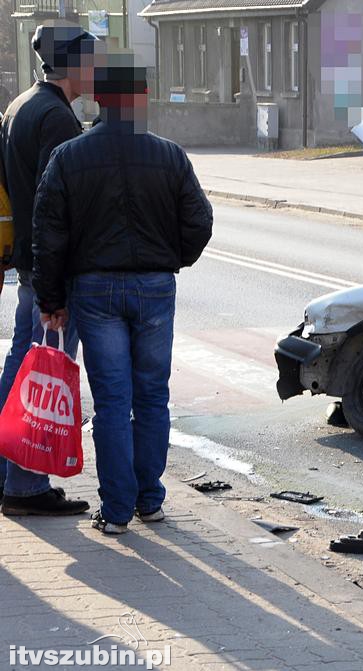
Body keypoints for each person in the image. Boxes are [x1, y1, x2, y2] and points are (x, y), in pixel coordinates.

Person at [32, 54, 214, 534]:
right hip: (155, 287)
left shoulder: (70, 156)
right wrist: (169, 259)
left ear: (98, 99)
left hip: (94, 290)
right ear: (141, 98)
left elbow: (48, 234)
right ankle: (150, 500)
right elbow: (199, 222)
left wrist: (51, 300)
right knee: (153, 396)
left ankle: (115, 513)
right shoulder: (169, 154)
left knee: (112, 401)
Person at [0, 22, 99, 517]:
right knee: (43, 377)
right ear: (73, 66)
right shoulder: (57, 119)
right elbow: (52, 207)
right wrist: (53, 292)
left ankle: (9, 474)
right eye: (92, 59)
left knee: (21, 368)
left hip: (29, 262)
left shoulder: (21, 105)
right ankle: (25, 485)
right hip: (47, 270)